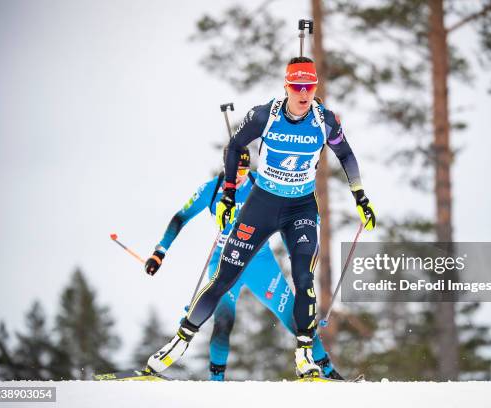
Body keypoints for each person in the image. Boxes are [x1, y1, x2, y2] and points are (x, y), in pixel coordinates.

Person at [148, 56, 376, 378]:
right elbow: (234, 146)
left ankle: (304, 357)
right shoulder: (263, 115)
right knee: (224, 277)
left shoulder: (324, 121)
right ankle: (178, 343)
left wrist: (360, 197)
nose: (303, 92)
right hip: (263, 203)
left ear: (314, 87)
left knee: (303, 278)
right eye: (297, 85)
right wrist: (228, 194)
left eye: (309, 86)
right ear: (286, 86)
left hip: (301, 207)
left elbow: (347, 155)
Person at [144, 147, 343, 380]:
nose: (239, 176)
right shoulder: (211, 190)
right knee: (223, 322)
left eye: (244, 170)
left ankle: (328, 372)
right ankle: (215, 381)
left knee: (296, 319)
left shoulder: (261, 184)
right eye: (235, 170)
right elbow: (180, 217)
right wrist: (160, 251)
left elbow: (293, 206)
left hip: (260, 265)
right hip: (224, 261)